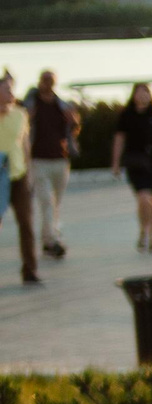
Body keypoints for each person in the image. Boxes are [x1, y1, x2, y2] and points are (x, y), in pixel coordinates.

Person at [109, 83, 152, 254]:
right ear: (133, 96)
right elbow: (119, 139)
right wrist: (115, 163)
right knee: (144, 198)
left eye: (146, 93)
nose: (143, 96)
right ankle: (143, 231)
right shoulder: (126, 115)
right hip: (136, 162)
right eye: (139, 92)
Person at [26, 71, 76, 262]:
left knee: (55, 204)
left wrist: (74, 122)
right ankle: (53, 241)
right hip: (38, 160)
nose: (48, 84)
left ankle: (49, 240)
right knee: (47, 202)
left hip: (61, 160)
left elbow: (73, 129)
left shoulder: (61, 105)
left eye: (51, 81)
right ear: (39, 82)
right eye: (45, 80)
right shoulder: (31, 105)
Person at [0, 82, 30, 284]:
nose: (12, 93)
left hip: (18, 174)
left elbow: (25, 143)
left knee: (26, 223)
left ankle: (30, 270)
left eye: (12, 89)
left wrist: (29, 169)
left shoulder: (20, 114)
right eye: (7, 89)